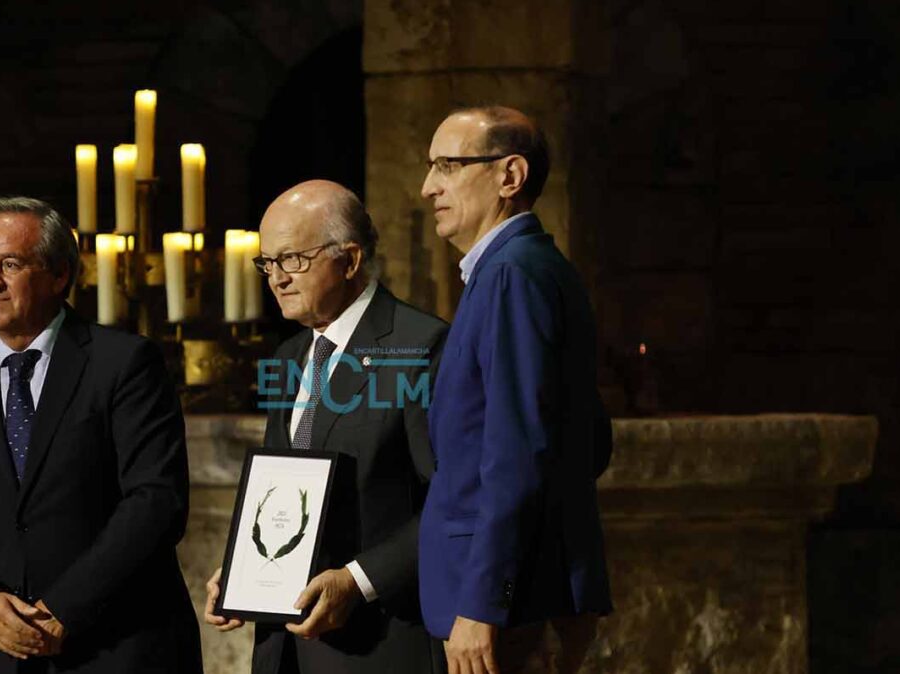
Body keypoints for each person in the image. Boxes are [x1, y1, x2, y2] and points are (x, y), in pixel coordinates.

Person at [0, 196, 201, 673]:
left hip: (120, 648)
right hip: (2, 651)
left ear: (60, 275)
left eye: (10, 264)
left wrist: (63, 608)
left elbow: (156, 501)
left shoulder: (124, 363)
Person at [204, 180, 448, 674]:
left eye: (292, 259)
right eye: (267, 263)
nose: (276, 279)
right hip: (285, 648)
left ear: (350, 260)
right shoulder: (289, 356)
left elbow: (454, 500)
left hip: (379, 644)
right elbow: (279, 491)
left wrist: (358, 580)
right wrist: (242, 570)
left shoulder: (421, 347)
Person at [417, 107, 614, 674]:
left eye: (448, 166)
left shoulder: (512, 275)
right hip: (523, 595)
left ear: (510, 176)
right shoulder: (526, 267)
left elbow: (517, 452)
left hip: (510, 606)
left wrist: (484, 604)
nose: (428, 187)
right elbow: (591, 439)